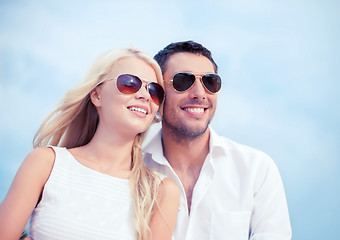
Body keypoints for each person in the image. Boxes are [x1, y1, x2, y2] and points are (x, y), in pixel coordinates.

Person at [0, 48, 180, 240]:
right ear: (97, 95)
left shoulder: (161, 191)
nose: (144, 95)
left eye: (154, 91)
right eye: (129, 83)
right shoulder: (45, 163)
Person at [142, 41, 292, 239]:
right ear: (157, 93)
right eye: (183, 81)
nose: (199, 94)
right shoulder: (132, 166)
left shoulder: (257, 169)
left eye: (210, 82)